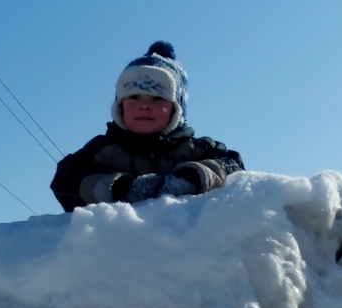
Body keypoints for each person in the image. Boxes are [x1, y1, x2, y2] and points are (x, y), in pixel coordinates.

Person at [51, 41, 244, 211]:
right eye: (134, 97)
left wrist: (191, 178)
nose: (144, 105)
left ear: (176, 110)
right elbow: (66, 182)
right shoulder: (103, 150)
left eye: (158, 98)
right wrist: (120, 188)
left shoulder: (197, 149)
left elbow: (233, 166)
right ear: (119, 106)